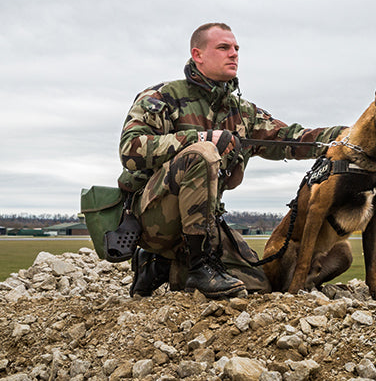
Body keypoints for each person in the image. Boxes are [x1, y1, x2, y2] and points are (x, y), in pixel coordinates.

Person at [119, 22, 346, 299]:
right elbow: (131, 150)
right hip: (155, 218)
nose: (234, 54)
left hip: (205, 223)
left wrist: (349, 135)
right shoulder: (162, 97)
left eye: (236, 48)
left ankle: (160, 267)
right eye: (223, 47)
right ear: (197, 54)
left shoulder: (241, 112)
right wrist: (202, 138)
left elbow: (291, 138)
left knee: (258, 285)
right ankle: (198, 267)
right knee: (203, 153)